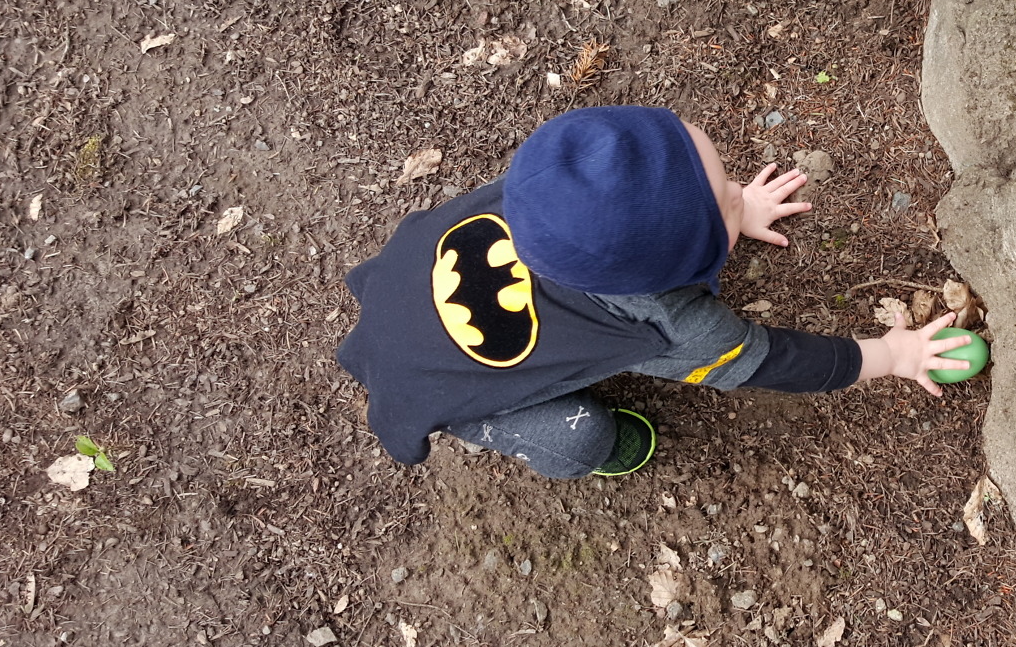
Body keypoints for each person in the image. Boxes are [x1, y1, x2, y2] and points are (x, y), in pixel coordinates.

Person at [336, 105, 972, 479]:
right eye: (728, 197)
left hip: (406, 279)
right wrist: (894, 355)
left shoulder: (550, 183)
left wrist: (730, 210)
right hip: (436, 388)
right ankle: (576, 448)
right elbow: (771, 360)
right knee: (581, 440)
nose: (737, 190)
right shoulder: (670, 324)